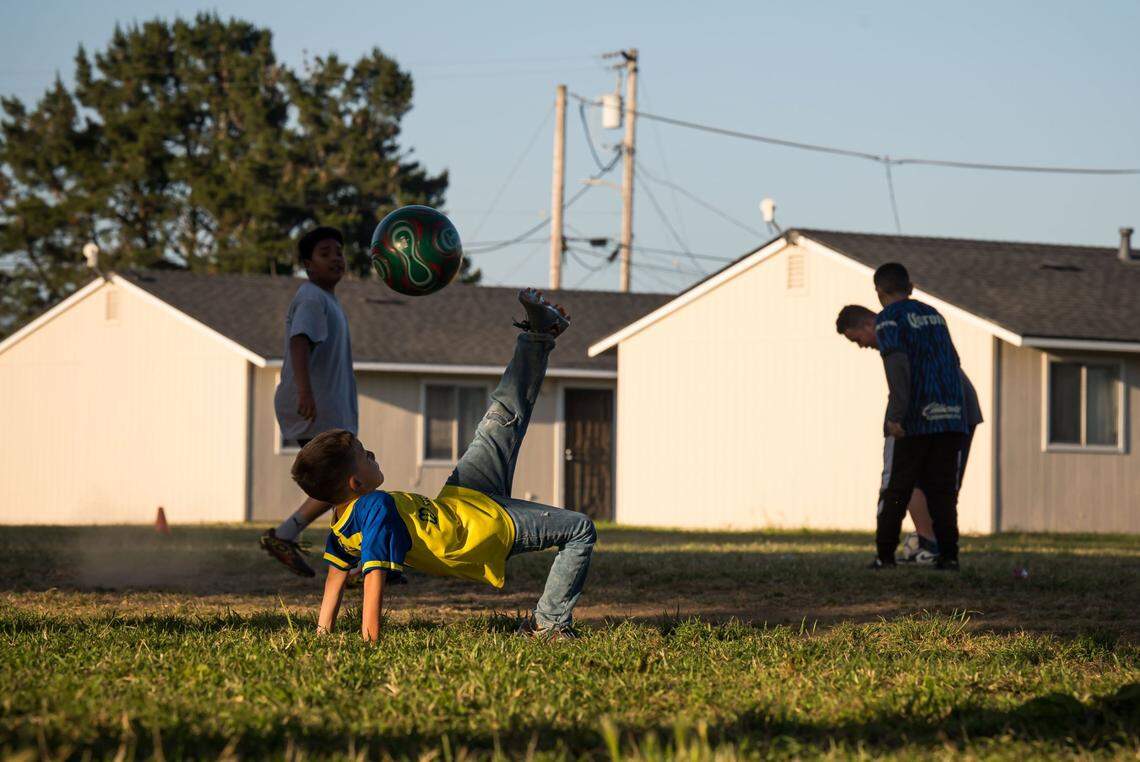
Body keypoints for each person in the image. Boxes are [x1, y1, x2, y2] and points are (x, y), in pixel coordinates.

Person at [294, 289, 595, 641]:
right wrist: (370, 639)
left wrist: (322, 633)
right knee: (580, 530)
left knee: (501, 417)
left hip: (462, 498)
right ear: (354, 483)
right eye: (364, 455)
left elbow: (335, 576)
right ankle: (549, 624)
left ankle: (539, 333)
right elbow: (372, 576)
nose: (371, 454)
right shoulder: (372, 507)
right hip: (480, 532)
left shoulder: (341, 524)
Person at [835, 304, 983, 564]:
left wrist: (896, 416)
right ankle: (943, 550)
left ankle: (925, 542)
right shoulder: (929, 326)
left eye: (857, 339)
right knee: (939, 486)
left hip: (939, 412)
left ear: (869, 325)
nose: (861, 346)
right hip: (955, 411)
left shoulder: (891, 326)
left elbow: (899, 372)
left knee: (908, 483)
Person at [260, 226, 358, 577]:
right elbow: (299, 342)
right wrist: (304, 391)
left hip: (327, 408)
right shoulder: (312, 298)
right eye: (325, 252)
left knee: (346, 485)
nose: (336, 257)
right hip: (312, 407)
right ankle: (359, 565)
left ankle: (286, 536)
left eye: (339, 251)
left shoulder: (328, 300)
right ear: (308, 264)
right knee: (348, 482)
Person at [859, 263, 968, 571]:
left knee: (897, 487)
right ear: (911, 286)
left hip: (917, 417)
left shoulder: (888, 320)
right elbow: (954, 360)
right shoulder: (935, 315)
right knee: (943, 491)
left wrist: (896, 415)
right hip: (951, 414)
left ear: (879, 291)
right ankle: (949, 555)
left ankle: (885, 555)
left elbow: (898, 366)